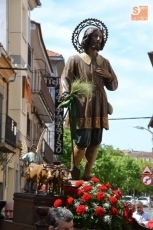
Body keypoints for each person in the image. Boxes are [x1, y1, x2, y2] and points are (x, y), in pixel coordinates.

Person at [60, 19, 118, 180]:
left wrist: (109, 76)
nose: (99, 39)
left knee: (95, 140)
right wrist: (66, 93)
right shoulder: (75, 59)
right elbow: (65, 79)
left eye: (100, 37)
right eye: (95, 36)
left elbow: (113, 86)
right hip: (82, 103)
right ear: (87, 38)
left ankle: (88, 171)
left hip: (99, 103)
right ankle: (74, 169)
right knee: (82, 140)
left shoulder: (104, 62)